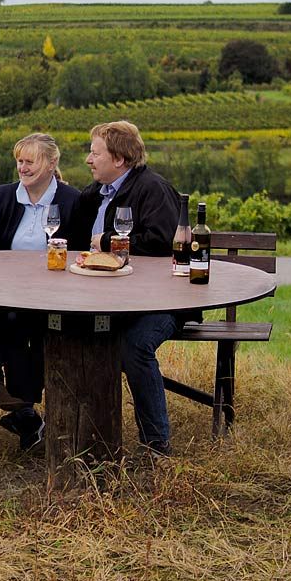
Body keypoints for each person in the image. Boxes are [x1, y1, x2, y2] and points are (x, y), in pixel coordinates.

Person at [64, 120, 186, 456]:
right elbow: (75, 242)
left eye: (95, 153)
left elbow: (163, 244)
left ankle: (156, 444)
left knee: (133, 345)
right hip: (106, 300)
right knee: (58, 331)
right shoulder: (96, 194)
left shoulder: (153, 189)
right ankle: (73, 434)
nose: (88, 159)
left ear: (119, 159)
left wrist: (107, 241)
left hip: (159, 302)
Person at [0, 133, 83, 451]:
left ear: (52, 164)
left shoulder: (72, 200)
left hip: (56, 292)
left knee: (39, 325)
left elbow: (79, 252)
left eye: (30, 162)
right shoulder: (4, 196)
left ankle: (21, 409)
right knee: (2, 318)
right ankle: (19, 406)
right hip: (7, 291)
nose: (22, 168)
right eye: (19, 161)